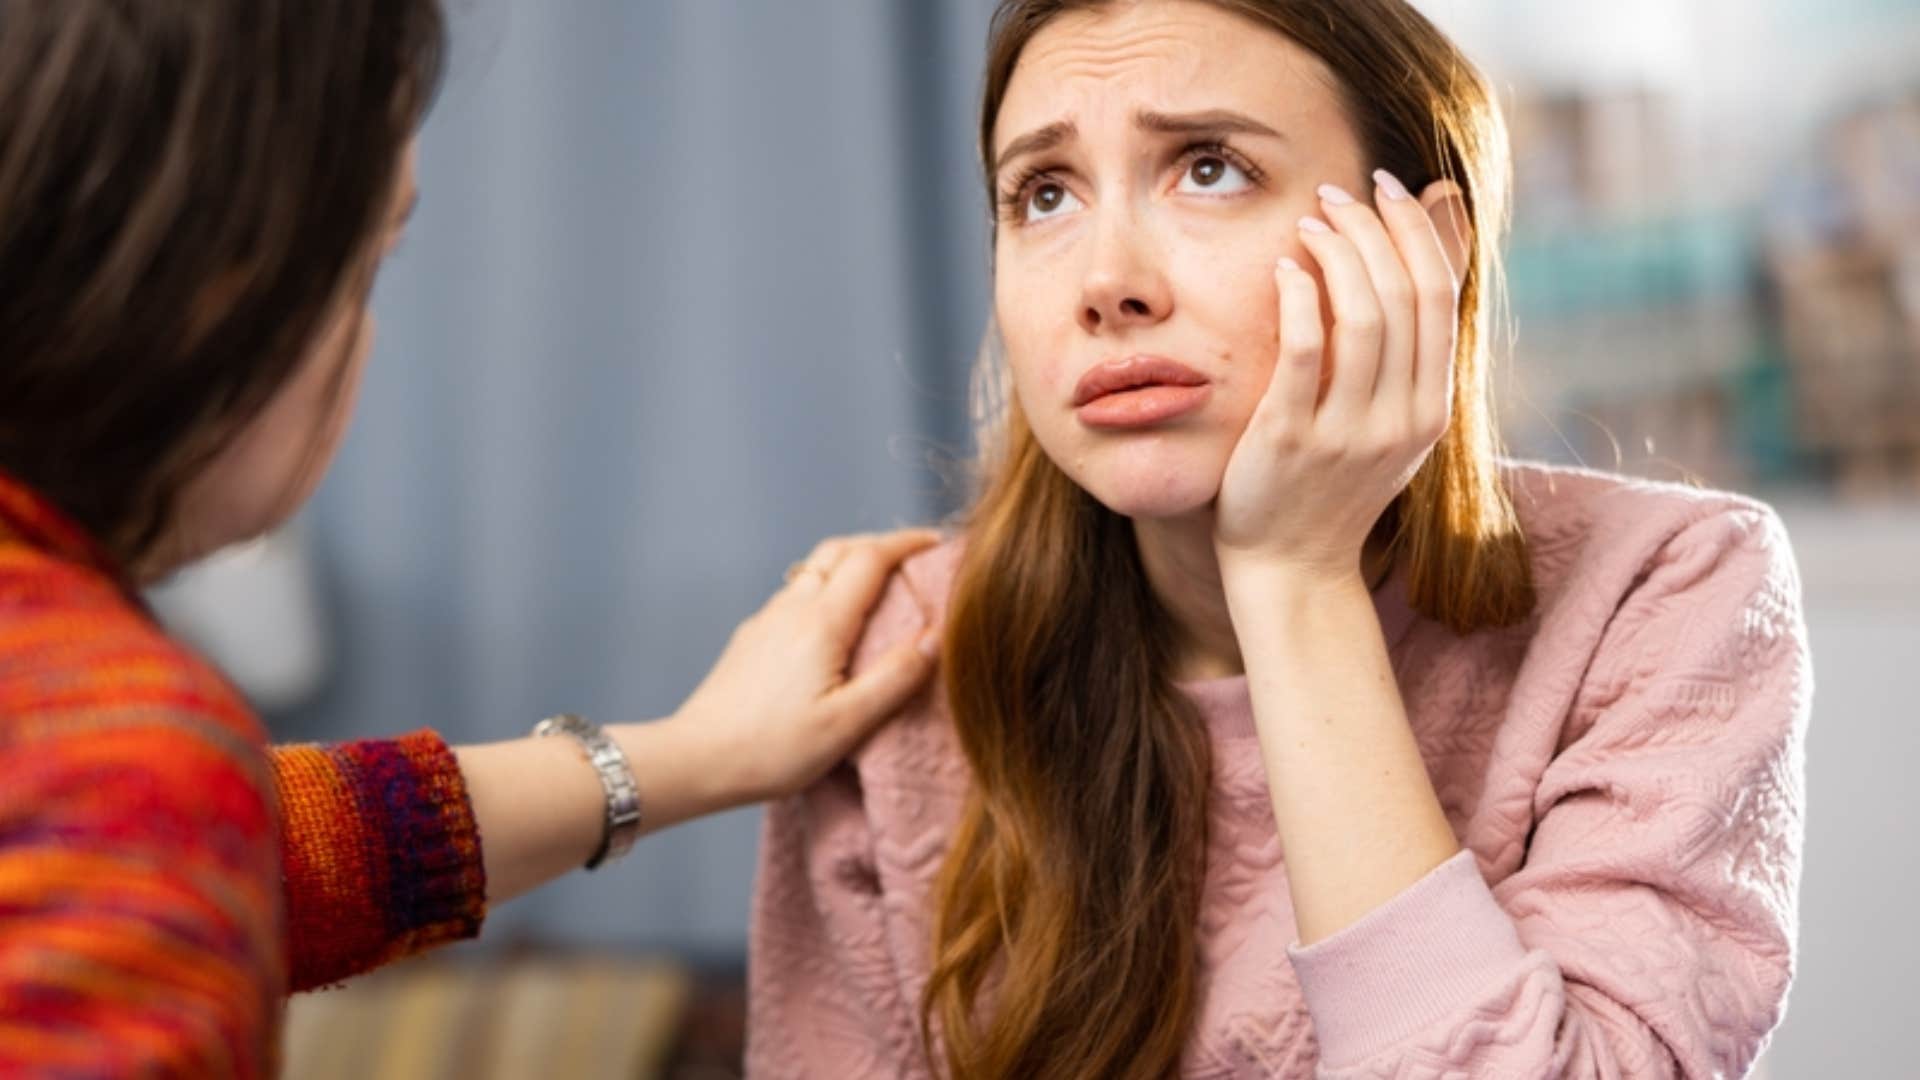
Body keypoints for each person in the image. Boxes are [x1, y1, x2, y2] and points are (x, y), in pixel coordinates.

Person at [746, 1, 1812, 1077]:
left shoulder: (1664, 594)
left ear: (1425, 249)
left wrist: (1297, 580)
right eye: (1045, 193)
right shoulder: (899, 652)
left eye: (1209, 168)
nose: (1106, 282)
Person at [0, 2, 938, 1076]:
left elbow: (272, 849)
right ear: (230, 281)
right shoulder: (109, 766)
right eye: (368, 261)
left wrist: (700, 753)